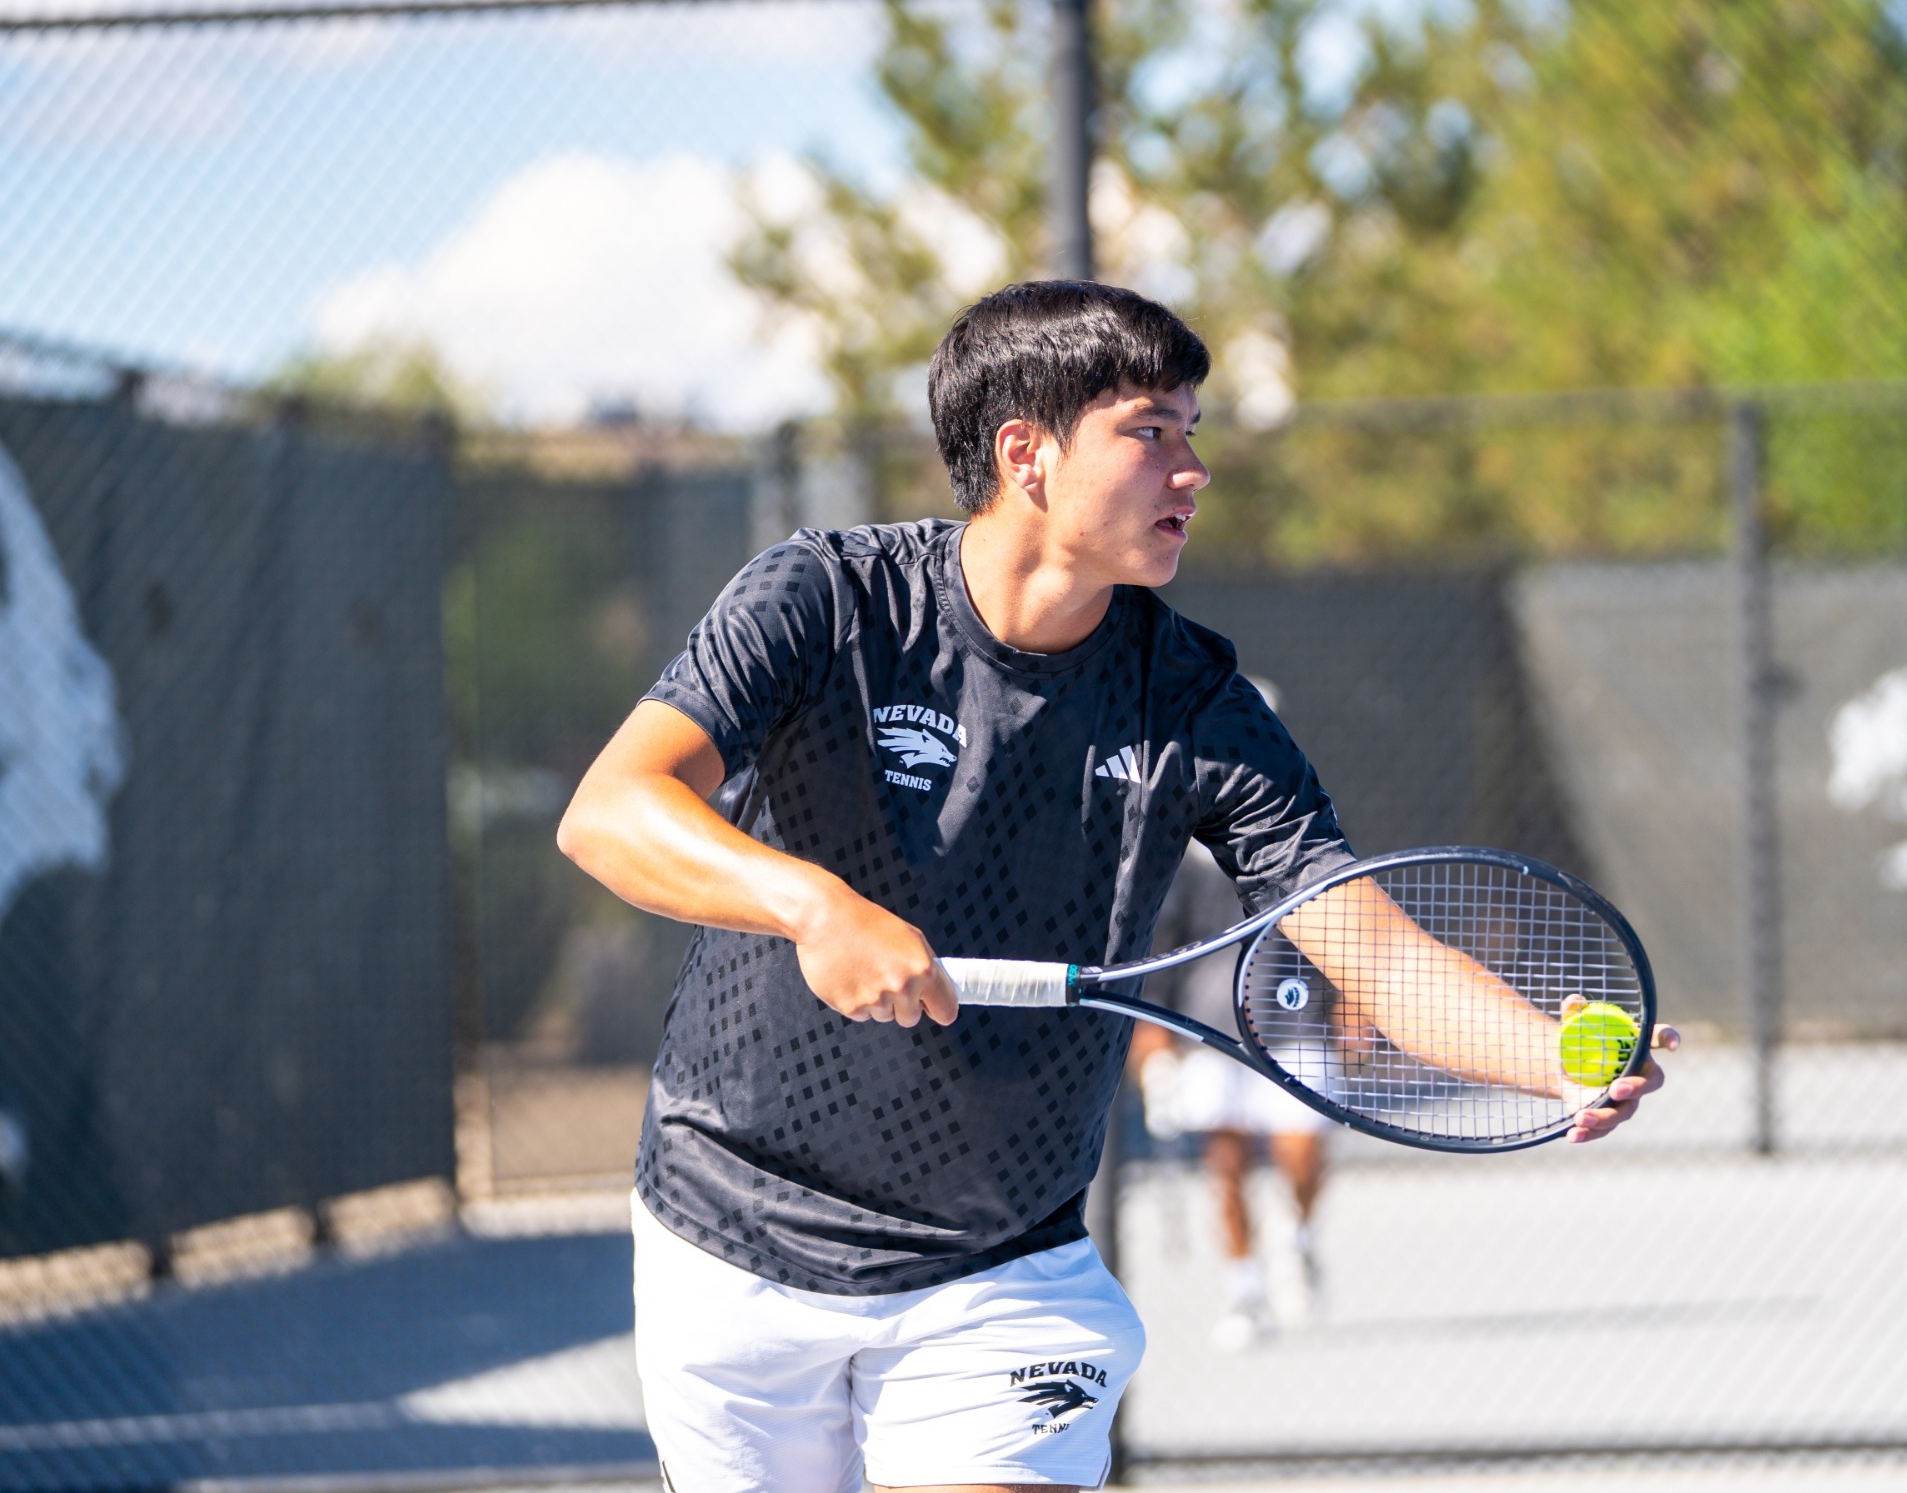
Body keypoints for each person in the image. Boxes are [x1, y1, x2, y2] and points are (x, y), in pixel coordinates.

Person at [558, 280, 1677, 1493]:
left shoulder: (1192, 699)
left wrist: (1548, 1052)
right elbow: (613, 809)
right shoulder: (825, 601)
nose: (1192, 469)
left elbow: (1378, 951)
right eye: (1153, 432)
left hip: (1000, 1270)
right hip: (730, 1240)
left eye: (1192, 432)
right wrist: (811, 905)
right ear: (1025, 454)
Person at [1131, 838, 1330, 1352]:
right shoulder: (1182, 864)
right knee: (1226, 1168)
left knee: (1302, 1153)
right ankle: (1244, 1293)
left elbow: (1342, 937)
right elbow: (1158, 950)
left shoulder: (1299, 837)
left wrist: (1352, 1010)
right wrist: (1154, 1045)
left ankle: (1295, 1236)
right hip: (1209, 1030)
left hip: (1295, 1024)